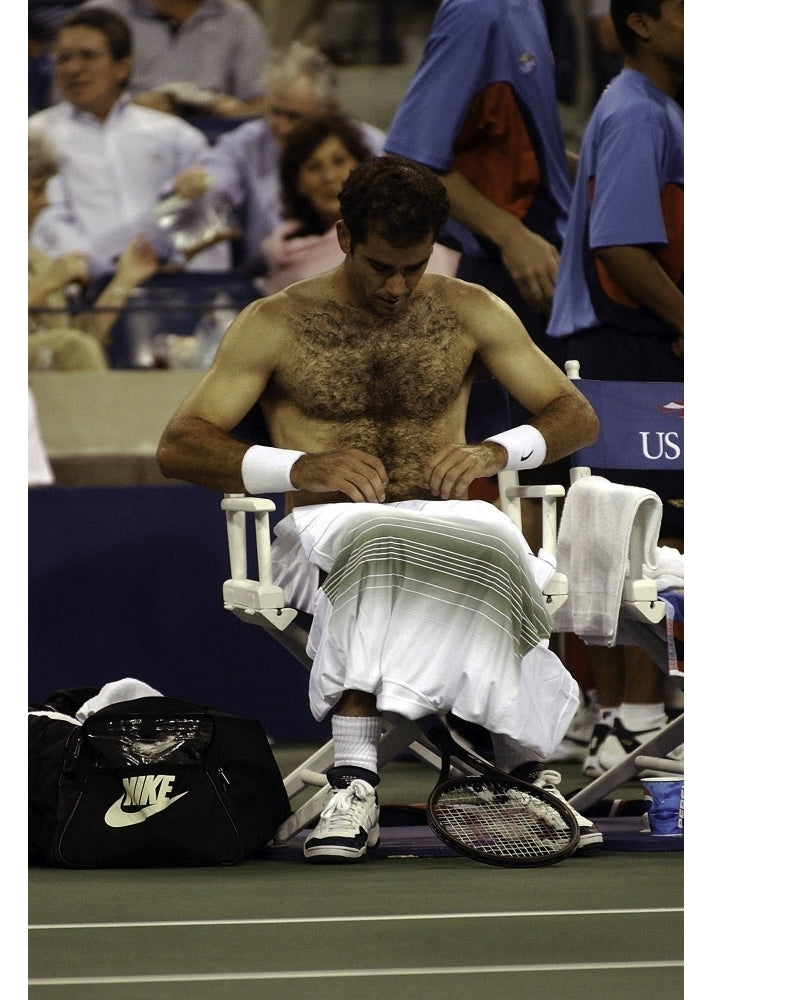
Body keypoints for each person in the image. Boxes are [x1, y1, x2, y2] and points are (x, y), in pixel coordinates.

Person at [156, 155, 604, 862]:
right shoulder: (274, 321)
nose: (397, 287)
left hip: (452, 526)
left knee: (496, 545)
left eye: (414, 267)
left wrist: (496, 452)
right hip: (325, 529)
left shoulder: (470, 309)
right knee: (381, 543)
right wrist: (300, 466)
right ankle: (376, 779)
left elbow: (574, 416)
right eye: (380, 267)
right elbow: (180, 445)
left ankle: (495, 772)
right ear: (342, 236)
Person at [545, 0, 684, 777]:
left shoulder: (659, 108)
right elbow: (621, 246)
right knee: (646, 537)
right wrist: (690, 322)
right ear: (639, 22)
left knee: (656, 533)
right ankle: (626, 724)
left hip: (642, 340)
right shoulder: (635, 111)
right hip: (626, 344)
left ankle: (629, 717)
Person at [383, 0, 578, 365]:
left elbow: (521, 142)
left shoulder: (531, 7)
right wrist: (511, 236)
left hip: (552, 263)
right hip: (513, 272)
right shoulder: (475, 10)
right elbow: (411, 160)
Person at [28, 7, 231, 275]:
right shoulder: (35, 135)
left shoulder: (174, 135)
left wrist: (188, 274)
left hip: (170, 286)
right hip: (76, 286)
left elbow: (205, 214)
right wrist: (93, 271)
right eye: (64, 58)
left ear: (122, 67)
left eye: (88, 56)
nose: (73, 69)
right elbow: (46, 220)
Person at [169, 42, 386, 274]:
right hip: (265, 278)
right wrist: (200, 181)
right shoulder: (245, 143)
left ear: (329, 110)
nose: (281, 127)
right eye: (275, 112)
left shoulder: (371, 145)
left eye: (294, 117)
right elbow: (216, 177)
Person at [260, 114, 460, 294]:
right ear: (298, 183)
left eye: (339, 162)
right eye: (314, 167)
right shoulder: (282, 251)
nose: (329, 177)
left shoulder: (405, 230)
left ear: (360, 168)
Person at [28, 128, 161, 370]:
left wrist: (123, 282)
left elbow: (79, 342)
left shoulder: (41, 262)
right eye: (37, 190)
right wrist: (46, 284)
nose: (46, 201)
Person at [80, 0, 270, 117]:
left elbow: (263, 105)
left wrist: (237, 112)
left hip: (214, 137)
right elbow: (71, 100)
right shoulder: (102, 14)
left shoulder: (239, 18)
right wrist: (128, 108)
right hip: (123, 134)